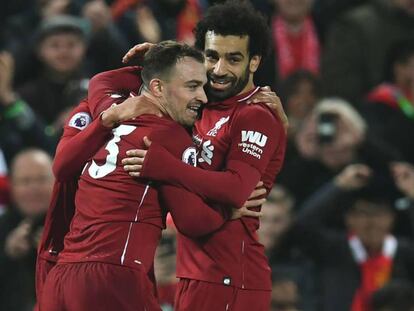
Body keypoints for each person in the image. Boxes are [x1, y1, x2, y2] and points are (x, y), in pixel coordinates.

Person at [39, 41, 258, 311]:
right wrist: (227, 211)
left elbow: (101, 80)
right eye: (192, 86)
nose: (203, 97)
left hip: (62, 278)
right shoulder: (170, 137)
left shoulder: (108, 111)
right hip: (114, 277)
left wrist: (153, 61)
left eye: (203, 86)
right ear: (157, 88)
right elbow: (193, 222)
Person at [122, 1, 287, 310]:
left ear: (254, 62)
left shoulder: (256, 115)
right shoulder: (200, 104)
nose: (219, 70)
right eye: (212, 56)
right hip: (195, 274)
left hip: (229, 277)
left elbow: (237, 189)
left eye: (233, 59)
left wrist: (165, 166)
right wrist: (163, 59)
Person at [0, 149, 54, 311]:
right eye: (25, 181)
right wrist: (7, 256)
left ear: (56, 181)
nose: (34, 188)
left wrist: (58, 258)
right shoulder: (2, 228)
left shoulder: (77, 226)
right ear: (12, 186)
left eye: (41, 179)